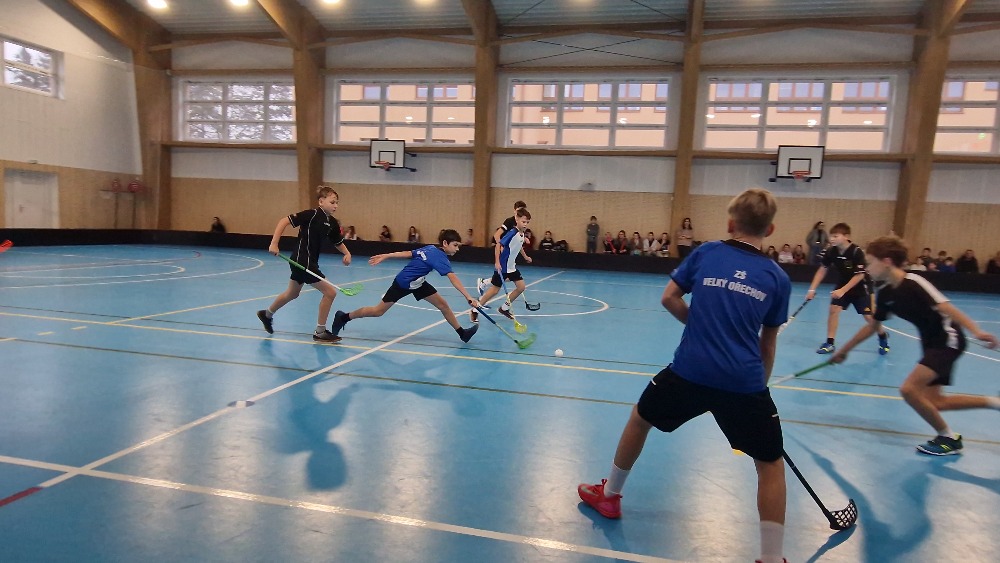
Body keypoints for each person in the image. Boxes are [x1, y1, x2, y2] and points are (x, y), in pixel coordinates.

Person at [577, 188, 791, 563]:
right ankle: (772, 558)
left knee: (640, 418)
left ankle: (609, 496)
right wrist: (760, 388)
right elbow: (768, 344)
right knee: (770, 464)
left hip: (690, 371)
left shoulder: (707, 253)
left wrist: (699, 326)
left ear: (730, 223)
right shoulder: (777, 277)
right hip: (744, 384)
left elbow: (669, 298)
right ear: (770, 229)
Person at [831, 235, 1000, 455]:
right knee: (935, 402)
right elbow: (873, 326)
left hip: (947, 340)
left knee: (909, 390)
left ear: (887, 261)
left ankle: (949, 438)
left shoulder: (914, 282)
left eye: (871, 262)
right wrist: (844, 350)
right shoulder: (886, 293)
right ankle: (995, 403)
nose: (867, 268)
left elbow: (948, 308)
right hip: (931, 344)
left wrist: (977, 331)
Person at [329, 229, 480, 343]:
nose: (457, 249)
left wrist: (387, 255)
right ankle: (344, 317)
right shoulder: (439, 257)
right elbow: (453, 278)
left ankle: (462, 334)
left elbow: (409, 253)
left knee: (443, 305)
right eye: (455, 245)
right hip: (403, 283)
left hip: (418, 283)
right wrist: (468, 297)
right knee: (377, 311)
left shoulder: (431, 248)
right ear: (445, 243)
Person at [258, 185, 351, 342]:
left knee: (292, 293)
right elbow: (284, 221)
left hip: (307, 262)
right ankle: (320, 332)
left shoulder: (332, 222)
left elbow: (337, 241)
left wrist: (347, 253)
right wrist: (274, 243)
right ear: (321, 201)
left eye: (337, 203)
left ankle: (266, 314)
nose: (335, 205)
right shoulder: (312, 215)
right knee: (330, 292)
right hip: (302, 260)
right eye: (332, 202)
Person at [804, 223, 889, 355]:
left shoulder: (856, 252)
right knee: (833, 310)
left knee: (869, 318)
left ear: (846, 237)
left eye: (835, 236)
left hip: (861, 286)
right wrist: (812, 289)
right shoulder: (831, 251)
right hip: (843, 283)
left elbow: (860, 275)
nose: (831, 239)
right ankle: (830, 343)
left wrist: (843, 291)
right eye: (831, 236)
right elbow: (822, 269)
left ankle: (882, 336)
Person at [472, 208, 533, 323]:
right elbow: (498, 245)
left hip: (512, 267)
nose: (525, 224)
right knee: (494, 291)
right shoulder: (512, 233)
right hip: (503, 267)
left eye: (527, 222)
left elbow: (519, 246)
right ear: (517, 219)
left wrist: (525, 257)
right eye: (523, 222)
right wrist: (497, 262)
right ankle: (475, 310)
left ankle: (504, 308)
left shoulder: (522, 234)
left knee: (521, 287)